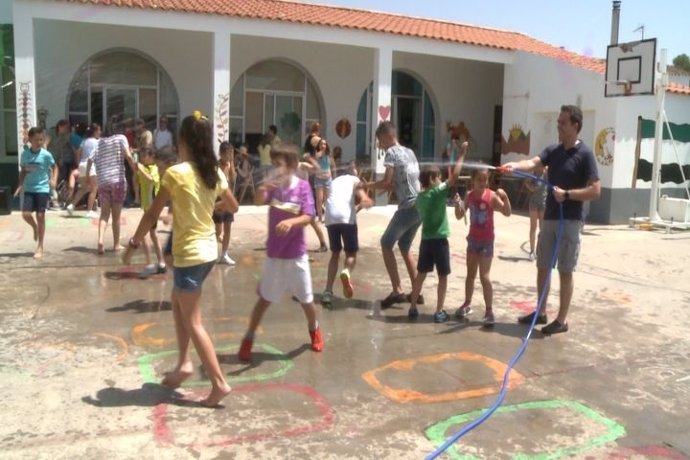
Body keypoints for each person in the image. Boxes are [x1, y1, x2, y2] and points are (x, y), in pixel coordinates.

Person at [123, 112, 238, 407]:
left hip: (189, 255)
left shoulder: (176, 173)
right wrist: (206, 206)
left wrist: (134, 242)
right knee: (177, 302)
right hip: (208, 252)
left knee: (194, 321)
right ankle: (184, 364)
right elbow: (233, 205)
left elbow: (151, 214)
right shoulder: (214, 171)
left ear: (183, 141)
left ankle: (219, 383)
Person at [503, 104, 600, 335]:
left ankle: (562, 320)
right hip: (550, 219)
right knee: (543, 266)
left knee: (565, 270)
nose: (558, 125)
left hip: (571, 221)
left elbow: (596, 190)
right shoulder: (553, 151)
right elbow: (533, 163)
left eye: (563, 122)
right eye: (558, 122)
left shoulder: (585, 154)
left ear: (575, 126)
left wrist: (568, 194)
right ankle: (541, 311)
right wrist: (514, 165)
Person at [238, 144, 324, 362]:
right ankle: (248, 338)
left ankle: (314, 330)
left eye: (279, 164)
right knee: (264, 300)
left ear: (293, 166)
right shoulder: (274, 186)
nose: (274, 168)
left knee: (307, 301)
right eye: (273, 164)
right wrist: (263, 187)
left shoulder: (303, 186)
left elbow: (309, 216)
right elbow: (258, 201)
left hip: (296, 256)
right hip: (274, 256)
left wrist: (290, 222)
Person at [408, 142, 467, 322]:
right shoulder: (437, 193)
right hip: (440, 242)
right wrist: (462, 153)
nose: (442, 180)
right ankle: (439, 310)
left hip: (426, 241)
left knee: (421, 275)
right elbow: (455, 176)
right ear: (433, 179)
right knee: (443, 276)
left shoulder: (420, 198)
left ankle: (412, 307)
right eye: (439, 177)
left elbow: (430, 200)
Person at [369, 121, 424, 308]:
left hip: (408, 206)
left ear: (387, 136)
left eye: (380, 141)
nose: (380, 146)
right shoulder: (410, 152)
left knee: (386, 244)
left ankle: (397, 290)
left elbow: (386, 182)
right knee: (405, 246)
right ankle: (418, 290)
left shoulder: (392, 153)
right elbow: (396, 183)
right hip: (420, 206)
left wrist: (366, 186)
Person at [453, 167, 512, 326]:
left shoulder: (491, 196)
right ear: (473, 180)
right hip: (473, 240)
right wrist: (457, 205)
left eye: (485, 180)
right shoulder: (469, 196)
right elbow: (459, 216)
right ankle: (467, 304)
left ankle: (489, 310)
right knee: (470, 275)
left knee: (484, 277)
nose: (482, 183)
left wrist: (505, 197)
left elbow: (507, 212)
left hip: (486, 242)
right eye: (479, 179)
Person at [320, 161, 373, 305]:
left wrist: (357, 208)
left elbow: (335, 202)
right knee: (351, 254)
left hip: (330, 218)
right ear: (352, 171)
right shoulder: (354, 179)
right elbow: (361, 194)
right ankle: (346, 272)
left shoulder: (333, 182)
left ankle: (327, 291)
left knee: (335, 254)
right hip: (346, 219)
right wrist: (365, 199)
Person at [88, 133, 137, 254]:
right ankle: (116, 245)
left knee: (104, 214)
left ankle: (100, 241)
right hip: (118, 181)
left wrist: (88, 175)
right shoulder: (121, 138)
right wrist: (135, 169)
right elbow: (129, 156)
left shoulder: (98, 143)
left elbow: (89, 159)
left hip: (103, 182)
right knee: (116, 216)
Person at [14, 127, 58, 259]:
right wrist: (20, 185)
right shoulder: (25, 155)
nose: (39, 142)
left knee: (40, 216)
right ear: (30, 140)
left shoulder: (46, 154)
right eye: (36, 140)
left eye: (41, 140)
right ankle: (34, 227)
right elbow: (23, 170)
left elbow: (55, 167)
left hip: (42, 189)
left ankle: (40, 246)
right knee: (26, 214)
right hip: (29, 188)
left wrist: (54, 179)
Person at [136, 147, 167, 277]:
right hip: (146, 206)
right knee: (152, 234)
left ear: (151, 157)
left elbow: (151, 180)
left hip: (152, 207)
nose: (142, 158)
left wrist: (140, 168)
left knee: (144, 234)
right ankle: (161, 262)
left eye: (145, 156)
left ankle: (150, 263)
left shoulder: (154, 169)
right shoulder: (143, 169)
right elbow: (138, 181)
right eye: (142, 156)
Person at [66, 123, 101, 218]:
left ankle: (72, 205)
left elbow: (78, 152)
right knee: (94, 188)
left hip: (82, 164)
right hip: (91, 165)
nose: (100, 132)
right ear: (95, 131)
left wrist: (78, 164)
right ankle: (89, 210)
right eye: (99, 130)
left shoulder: (84, 141)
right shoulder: (97, 142)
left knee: (85, 188)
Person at [213, 142, 237, 265]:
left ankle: (224, 254)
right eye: (227, 154)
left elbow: (233, 179)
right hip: (218, 200)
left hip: (228, 199)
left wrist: (231, 163)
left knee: (228, 227)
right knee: (218, 230)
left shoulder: (229, 164)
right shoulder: (216, 166)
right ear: (221, 154)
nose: (229, 157)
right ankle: (212, 252)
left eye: (231, 154)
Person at [525, 166, 548, 260]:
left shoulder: (546, 173)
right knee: (533, 227)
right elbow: (526, 182)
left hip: (543, 202)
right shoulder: (532, 173)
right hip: (534, 202)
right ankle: (532, 251)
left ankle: (540, 250)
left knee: (543, 229)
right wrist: (531, 187)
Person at [313, 137, 334, 224]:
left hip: (328, 179)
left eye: (324, 144)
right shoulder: (317, 154)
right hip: (319, 179)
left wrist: (333, 175)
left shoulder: (329, 154)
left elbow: (332, 165)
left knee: (328, 200)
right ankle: (320, 218)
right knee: (319, 199)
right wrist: (321, 152)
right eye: (321, 144)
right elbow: (315, 159)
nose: (323, 145)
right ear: (319, 145)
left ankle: (327, 217)